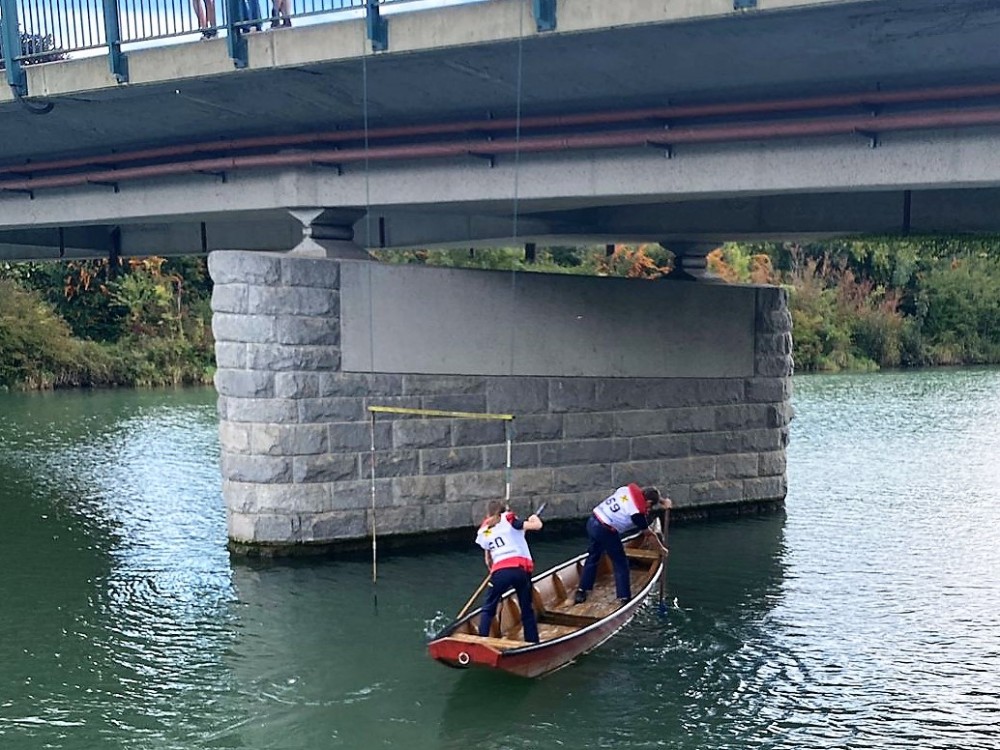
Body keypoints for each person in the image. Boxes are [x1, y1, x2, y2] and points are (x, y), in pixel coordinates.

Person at [573, 484, 670, 605]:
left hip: (593, 521)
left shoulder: (625, 490)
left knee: (593, 556)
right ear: (648, 501)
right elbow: (649, 535)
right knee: (621, 562)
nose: (649, 509)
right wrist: (661, 549)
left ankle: (581, 591)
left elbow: (646, 494)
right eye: (650, 506)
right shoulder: (636, 513)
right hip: (605, 531)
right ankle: (624, 597)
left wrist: (662, 501)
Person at [475, 499, 543, 643]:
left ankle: (481, 640)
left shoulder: (485, 530)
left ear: (488, 514)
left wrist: (493, 571)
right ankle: (532, 642)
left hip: (500, 572)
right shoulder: (511, 521)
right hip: (521, 571)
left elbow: (488, 559)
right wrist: (533, 518)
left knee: (488, 607)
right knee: (526, 609)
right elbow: (537, 526)